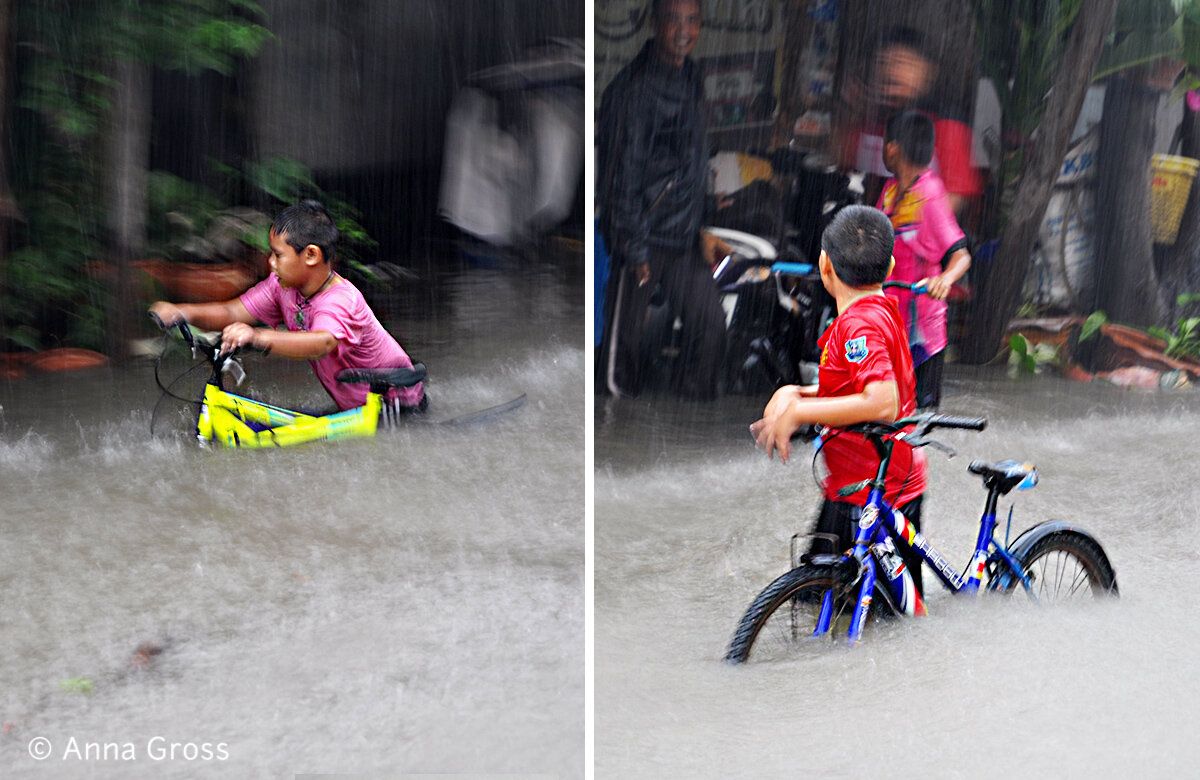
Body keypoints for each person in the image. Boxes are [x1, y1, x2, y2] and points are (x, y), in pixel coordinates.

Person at [750, 205, 927, 595]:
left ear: (823, 264)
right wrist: (793, 392)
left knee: (876, 617)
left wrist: (800, 410)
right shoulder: (877, 311)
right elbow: (854, 389)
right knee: (822, 596)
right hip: (855, 485)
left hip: (880, 492)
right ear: (892, 265)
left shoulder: (859, 324)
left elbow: (882, 402)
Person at [149, 200, 425, 415]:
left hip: (397, 407)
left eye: (278, 254)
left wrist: (257, 336)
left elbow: (322, 342)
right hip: (354, 409)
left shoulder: (340, 300)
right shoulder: (281, 286)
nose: (270, 262)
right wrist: (183, 312)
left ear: (311, 255)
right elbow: (233, 312)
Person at [596, 0, 727, 400]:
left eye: (693, 20)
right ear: (654, 22)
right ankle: (613, 428)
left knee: (710, 327)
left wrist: (703, 215)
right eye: (675, 19)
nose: (684, 30)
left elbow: (691, 156)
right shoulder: (632, 89)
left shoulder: (691, 76)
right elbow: (620, 174)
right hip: (643, 236)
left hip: (683, 234)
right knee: (622, 352)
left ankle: (685, 425)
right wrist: (634, 248)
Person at [835, 26, 982, 220]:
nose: (891, 72)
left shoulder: (947, 128)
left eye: (903, 63)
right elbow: (837, 169)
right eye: (883, 62)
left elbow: (947, 208)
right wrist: (849, 112)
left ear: (927, 73)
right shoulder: (870, 124)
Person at [878, 110, 971, 409]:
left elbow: (961, 255)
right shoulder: (890, 192)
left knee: (919, 423)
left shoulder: (931, 192)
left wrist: (944, 279)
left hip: (923, 336)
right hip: (889, 325)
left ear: (892, 148)